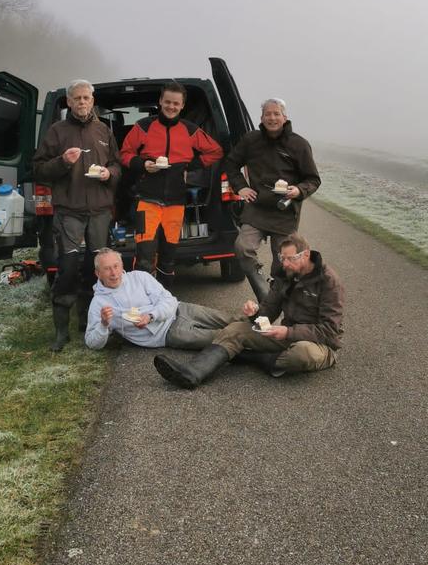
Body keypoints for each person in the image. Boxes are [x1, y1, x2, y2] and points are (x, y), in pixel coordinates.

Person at [153, 233, 344, 389]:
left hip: (319, 345)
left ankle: (248, 357)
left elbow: (329, 330)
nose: (284, 264)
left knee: (302, 354)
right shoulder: (286, 275)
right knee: (236, 329)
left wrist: (288, 331)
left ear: (306, 254)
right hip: (287, 336)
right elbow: (269, 310)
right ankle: (191, 373)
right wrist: (255, 312)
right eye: (281, 258)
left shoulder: (328, 281)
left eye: (290, 258)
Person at [33, 80, 121, 352]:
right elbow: (38, 169)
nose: (82, 102)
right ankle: (61, 333)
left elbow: (116, 164)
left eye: (86, 98)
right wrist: (63, 162)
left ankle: (88, 321)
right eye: (77, 98)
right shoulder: (56, 131)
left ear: (93, 101)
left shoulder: (103, 130)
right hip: (69, 211)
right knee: (69, 268)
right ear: (69, 103)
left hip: (98, 211)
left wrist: (110, 174)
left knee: (95, 269)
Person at [120, 80, 223, 290]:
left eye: (176, 103)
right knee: (145, 259)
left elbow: (216, 151)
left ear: (182, 105)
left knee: (168, 259)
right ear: (160, 101)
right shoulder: (145, 126)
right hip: (146, 201)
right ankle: (142, 304)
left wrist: (189, 165)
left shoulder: (189, 130)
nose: (171, 107)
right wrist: (142, 164)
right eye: (167, 102)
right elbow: (124, 154)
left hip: (176, 203)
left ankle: (164, 303)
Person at [226, 97, 321, 299]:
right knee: (242, 248)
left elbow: (313, 179)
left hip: (284, 211)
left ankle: (278, 299)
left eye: (276, 113)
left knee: (283, 263)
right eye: (268, 114)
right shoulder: (251, 140)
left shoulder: (299, 144)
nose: (272, 117)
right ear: (261, 117)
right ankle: (263, 290)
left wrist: (299, 190)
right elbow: (231, 164)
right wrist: (241, 187)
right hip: (257, 207)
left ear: (285, 117)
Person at [85, 248, 232, 350]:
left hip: (180, 309)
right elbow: (92, 342)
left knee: (230, 320)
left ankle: (253, 321)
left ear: (122, 265)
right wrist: (104, 325)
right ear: (98, 273)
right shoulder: (99, 303)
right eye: (107, 269)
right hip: (168, 333)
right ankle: (253, 341)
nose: (113, 273)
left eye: (116, 266)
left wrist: (150, 316)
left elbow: (168, 299)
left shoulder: (139, 277)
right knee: (223, 337)